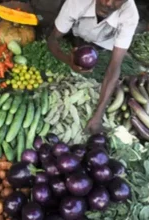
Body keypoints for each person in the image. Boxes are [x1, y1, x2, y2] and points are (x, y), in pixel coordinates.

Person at [47, 0, 139, 134]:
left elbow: (114, 67)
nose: (108, 3)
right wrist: (68, 60)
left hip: (104, 46)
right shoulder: (77, 2)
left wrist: (98, 115)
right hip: (75, 37)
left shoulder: (130, 15)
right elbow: (52, 40)